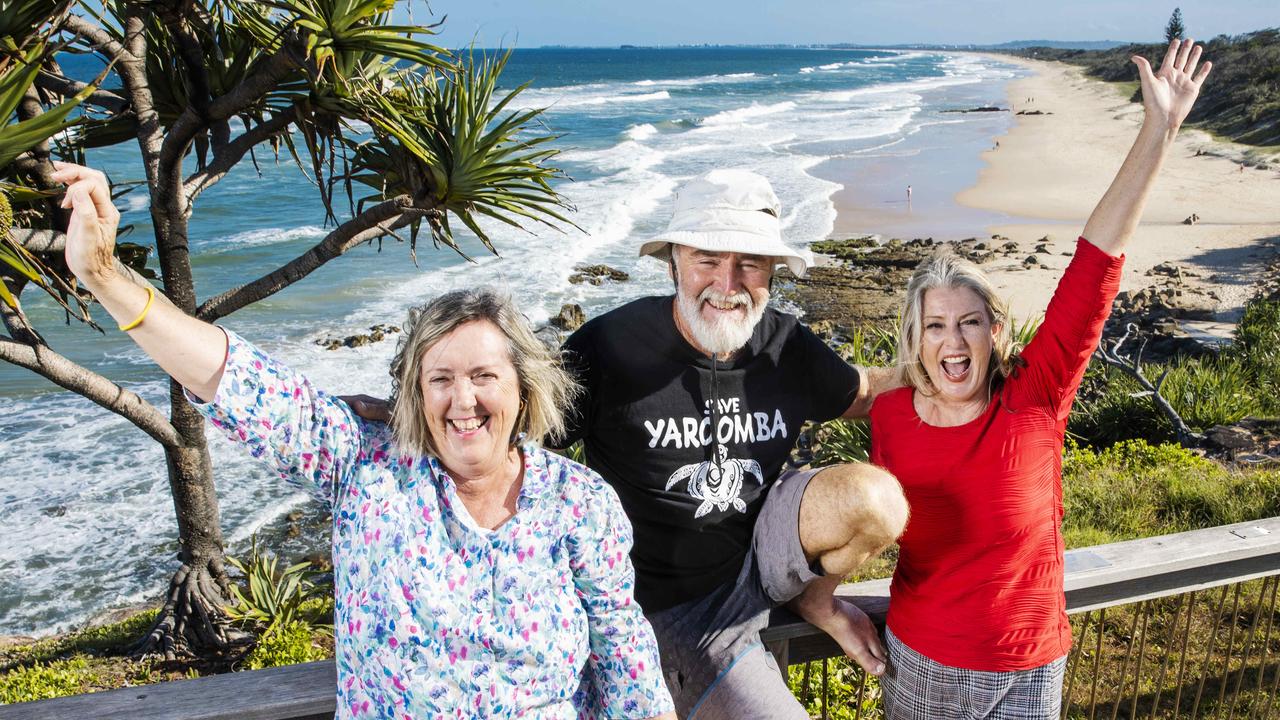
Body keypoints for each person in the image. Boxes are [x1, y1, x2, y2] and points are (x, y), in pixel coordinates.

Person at [51, 162, 676, 720]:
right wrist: (105, 276)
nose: (463, 400)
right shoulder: (364, 467)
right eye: (441, 379)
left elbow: (625, 654)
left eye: (485, 376)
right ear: (413, 391)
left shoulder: (579, 501)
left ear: (523, 388)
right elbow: (235, 380)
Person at [866, 38, 1212, 719]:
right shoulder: (891, 417)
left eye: (969, 323)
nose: (952, 341)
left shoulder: (1036, 395)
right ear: (915, 338)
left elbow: (1096, 264)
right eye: (935, 326)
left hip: (1027, 673)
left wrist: (1158, 131)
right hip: (917, 665)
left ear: (996, 332)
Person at [555, 169, 909, 719]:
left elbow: (861, 393)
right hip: (650, 606)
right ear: (673, 260)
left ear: (770, 272)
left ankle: (810, 599)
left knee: (877, 500)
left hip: (754, 570)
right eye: (707, 259)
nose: (727, 283)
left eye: (750, 262)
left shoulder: (784, 345)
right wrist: (408, 413)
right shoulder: (608, 345)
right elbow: (509, 428)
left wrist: (951, 365)